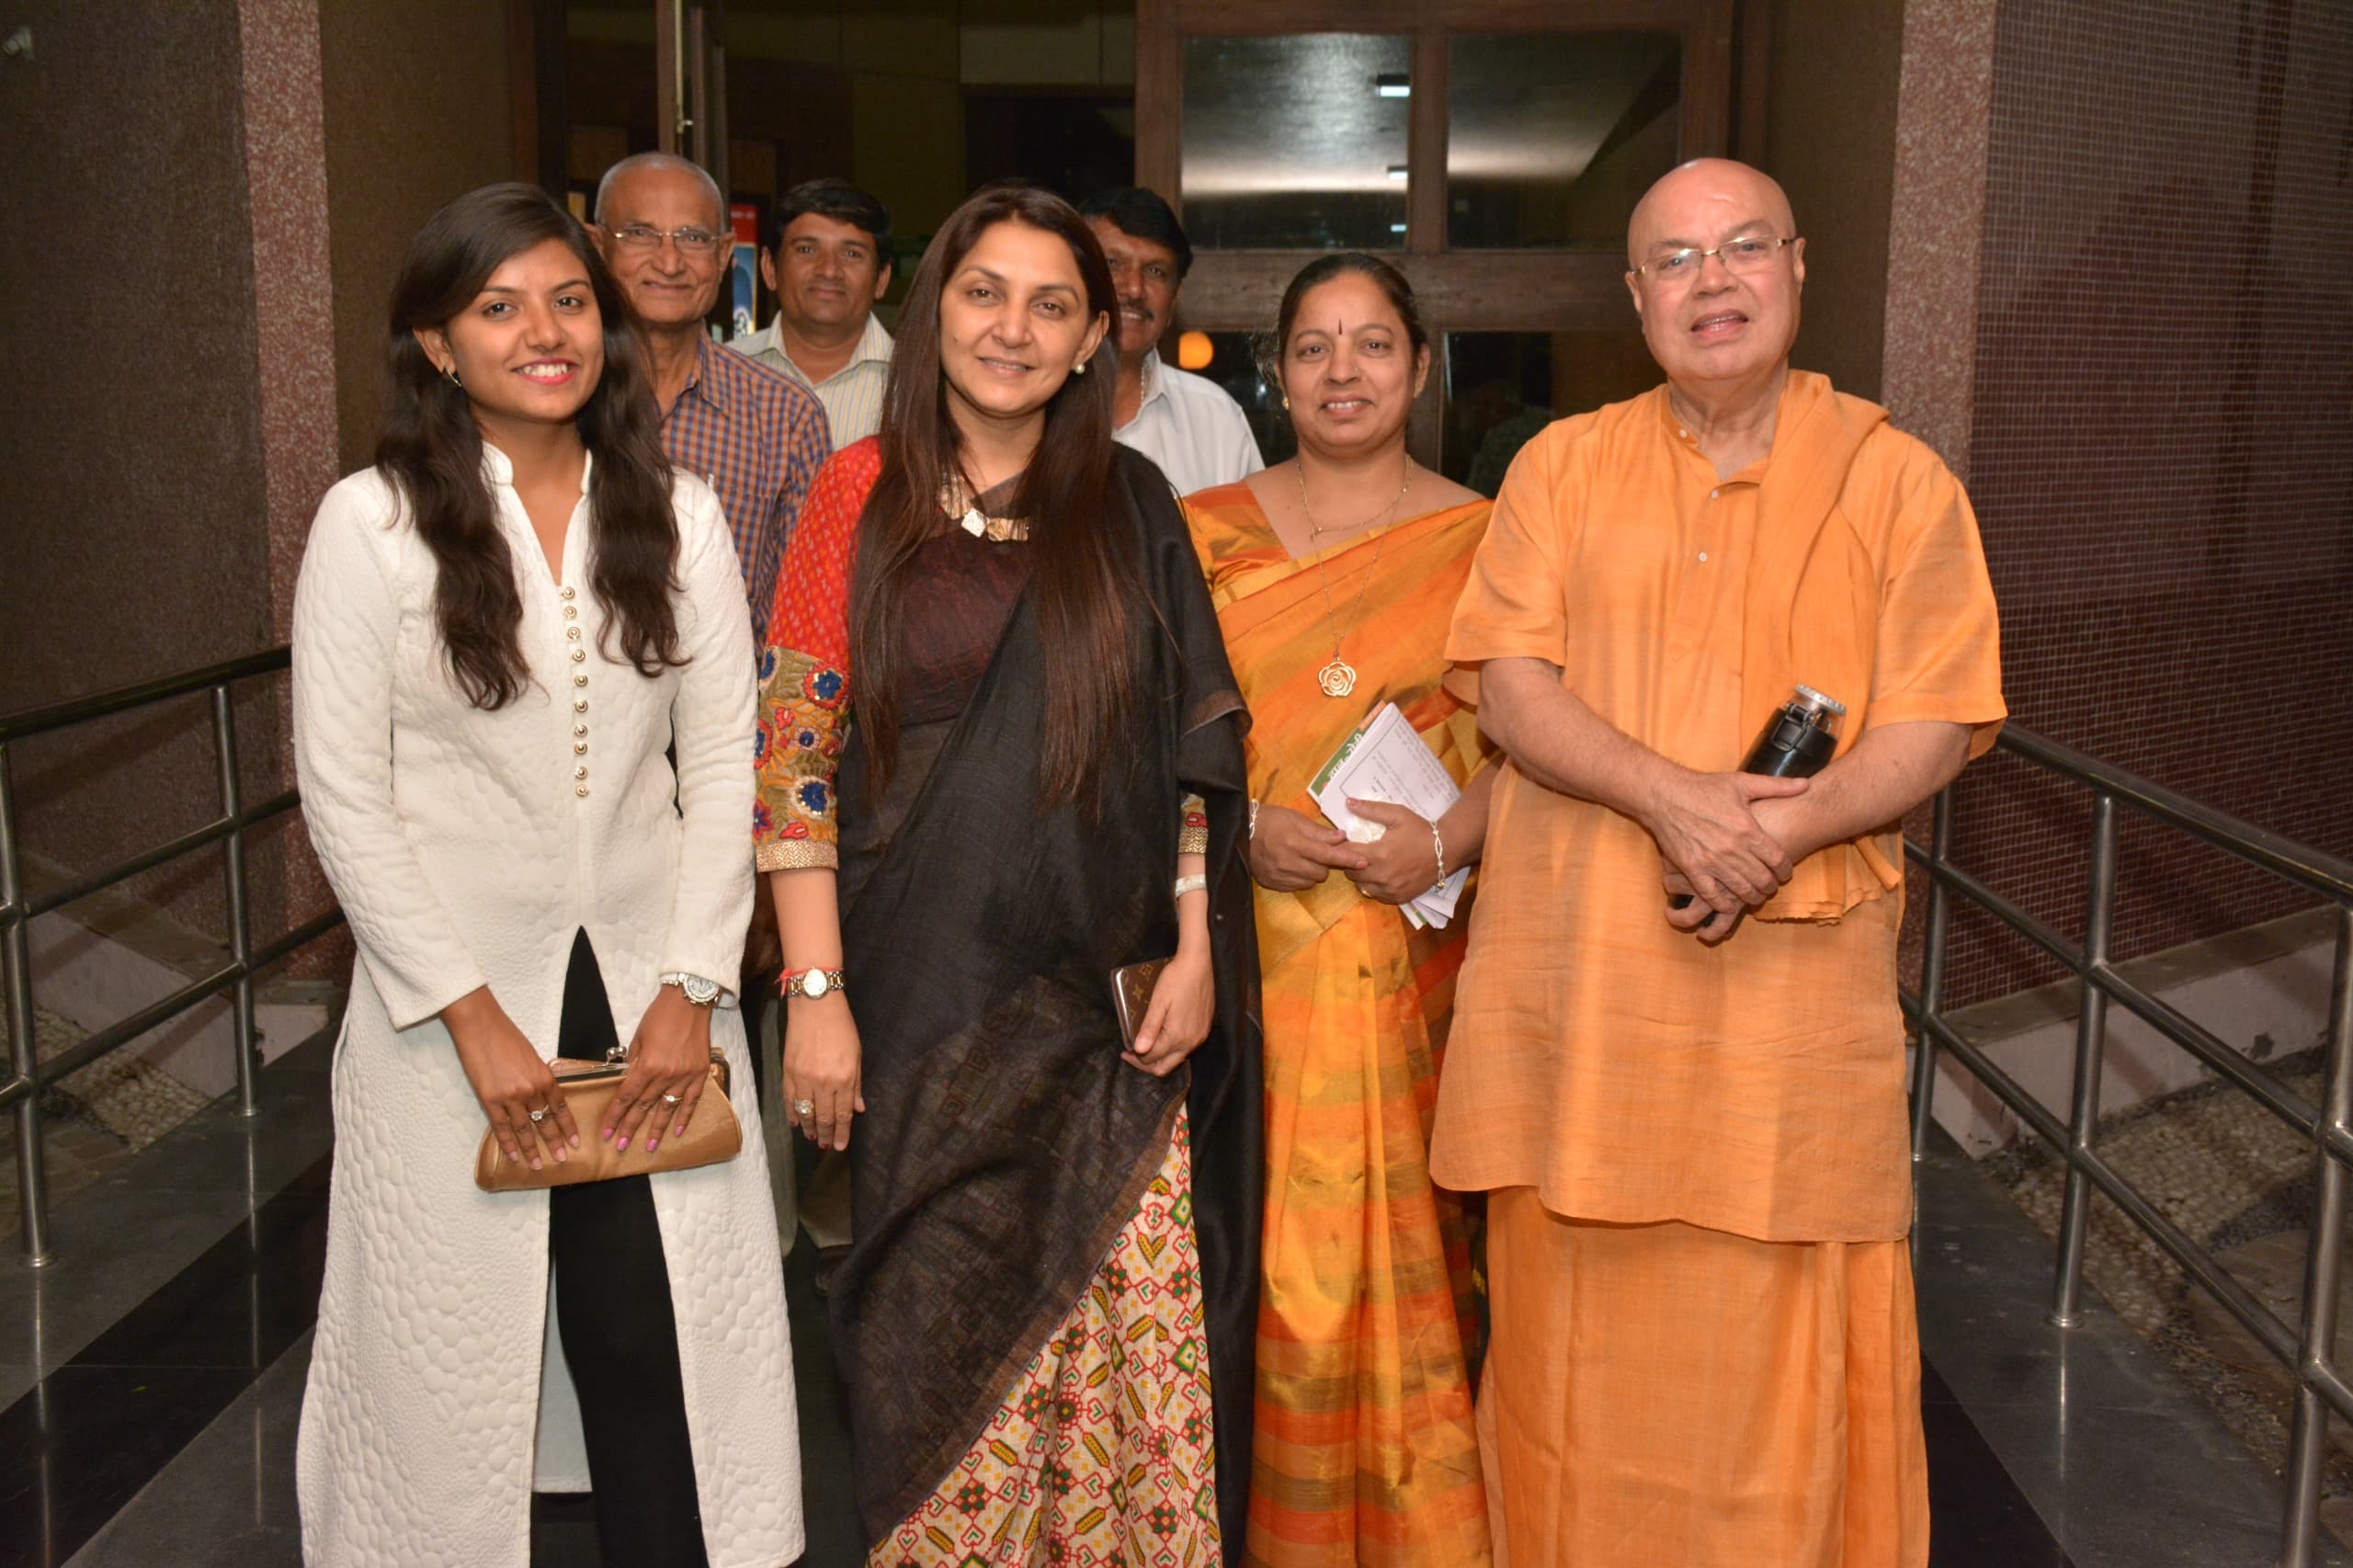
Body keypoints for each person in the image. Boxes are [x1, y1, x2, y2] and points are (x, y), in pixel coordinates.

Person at [1436, 157, 2006, 1566]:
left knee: (1780, 1374)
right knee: (1568, 1360)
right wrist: (1672, 797)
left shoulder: (1895, 479)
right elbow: (1505, 677)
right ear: (1635, 299)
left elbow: (1941, 710)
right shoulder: (1562, 465)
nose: (1715, 283)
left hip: (1783, 1039)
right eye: (1678, 262)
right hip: (1584, 1020)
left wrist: (1779, 830)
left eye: (1743, 248)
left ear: (1800, 268)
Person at [751, 183, 1264, 1564]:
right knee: (925, 1337)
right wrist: (816, 990)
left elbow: (1194, 752)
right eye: (985, 293)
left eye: (1053, 304)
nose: (1013, 329)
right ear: (934, 311)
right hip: (918, 988)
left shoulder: (1134, 501)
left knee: (1111, 1340)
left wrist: (1199, 949)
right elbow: (795, 749)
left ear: (1100, 333)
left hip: (1102, 1003)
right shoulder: (856, 493)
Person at [290, 182, 800, 1568]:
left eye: (568, 299)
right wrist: (467, 1011)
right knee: (442, 1355)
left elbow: (722, 764)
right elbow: (343, 794)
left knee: (654, 1340)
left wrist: (695, 982)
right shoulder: (371, 523)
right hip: (445, 1007)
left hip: (649, 987)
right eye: (498, 306)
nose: (545, 331)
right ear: (438, 346)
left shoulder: (679, 512)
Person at [1187, 252, 1497, 1567]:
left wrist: (1441, 838)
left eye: (1373, 344)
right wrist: (1235, 824)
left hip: (1422, 955)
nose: (1343, 372)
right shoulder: (1199, 530)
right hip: (1244, 956)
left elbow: (1541, 742)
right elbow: (1150, 731)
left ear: (1419, 366)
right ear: (1276, 372)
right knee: (1258, 1251)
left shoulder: (1489, 538)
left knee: (1427, 1237)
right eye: (1313, 346)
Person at [595, 152, 829, 643]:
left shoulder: (787, 416)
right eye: (639, 234)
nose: (669, 261)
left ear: (724, 256)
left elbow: (798, 629)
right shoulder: (549, 400)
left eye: (693, 238)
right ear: (596, 247)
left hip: (731, 711)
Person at [1080, 185, 1265, 494]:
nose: (1135, 288)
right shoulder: (1028, 404)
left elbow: (1250, 542)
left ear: (1175, 299)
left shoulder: (1216, 419)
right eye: (1113, 264)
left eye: (1156, 272)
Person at [733, 176, 896, 449]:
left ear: (882, 278)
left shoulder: (920, 388)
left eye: (852, 254)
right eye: (806, 250)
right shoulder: (719, 373)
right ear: (769, 268)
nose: (829, 270)